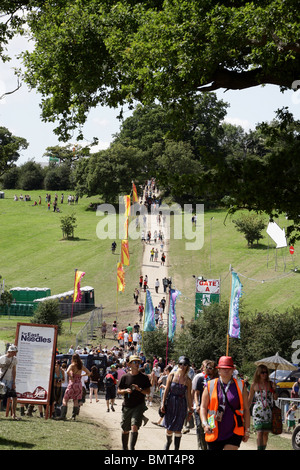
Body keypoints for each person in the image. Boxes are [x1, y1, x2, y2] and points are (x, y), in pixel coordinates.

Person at [200, 356, 250, 451]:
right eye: (223, 368)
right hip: (213, 429)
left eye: (228, 368)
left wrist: (247, 430)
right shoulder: (210, 385)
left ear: (232, 370)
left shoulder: (240, 385)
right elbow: (203, 407)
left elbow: (246, 409)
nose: (226, 371)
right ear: (218, 370)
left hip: (234, 430)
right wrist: (204, 424)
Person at [117, 355, 151, 450]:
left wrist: (139, 389)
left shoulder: (144, 378)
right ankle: (125, 448)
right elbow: (118, 391)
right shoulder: (125, 377)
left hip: (138, 406)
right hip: (127, 406)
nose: (137, 364)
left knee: (134, 426)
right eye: (134, 362)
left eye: (138, 362)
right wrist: (125, 391)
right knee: (125, 430)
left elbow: (147, 392)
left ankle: (132, 448)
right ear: (129, 364)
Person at [161, 356, 193, 450]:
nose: (182, 366)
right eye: (180, 364)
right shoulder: (172, 375)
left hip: (181, 404)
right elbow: (166, 390)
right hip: (171, 402)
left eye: (185, 364)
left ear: (187, 366)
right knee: (169, 427)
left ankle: (176, 448)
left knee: (178, 428)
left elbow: (189, 396)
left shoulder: (188, 380)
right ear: (178, 365)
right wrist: (163, 403)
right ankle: (168, 442)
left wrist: (190, 409)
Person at [248, 364, 277, 450]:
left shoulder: (271, 384)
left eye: (266, 372)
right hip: (257, 411)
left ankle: (263, 448)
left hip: (268, 411)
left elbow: (275, 398)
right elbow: (249, 400)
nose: (264, 374)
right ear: (258, 373)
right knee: (259, 432)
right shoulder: (253, 385)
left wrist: (274, 390)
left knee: (265, 433)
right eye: (262, 372)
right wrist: (245, 411)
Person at [193, 360, 218, 450]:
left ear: (215, 370)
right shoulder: (200, 378)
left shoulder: (217, 381)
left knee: (210, 429)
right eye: (206, 367)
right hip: (200, 409)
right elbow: (196, 393)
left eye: (210, 368)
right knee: (200, 427)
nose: (207, 369)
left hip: (211, 411)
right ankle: (201, 448)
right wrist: (197, 404)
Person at [58, 353, 91, 420]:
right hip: (79, 385)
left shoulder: (72, 365)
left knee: (65, 399)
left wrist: (71, 376)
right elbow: (89, 373)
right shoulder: (81, 366)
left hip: (72, 383)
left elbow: (67, 371)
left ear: (73, 359)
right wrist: (82, 375)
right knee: (75, 400)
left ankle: (63, 415)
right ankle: (73, 416)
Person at [0, 344, 19, 419]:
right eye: (14, 352)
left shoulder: (14, 359)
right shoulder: (2, 358)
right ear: (10, 351)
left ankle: (13, 414)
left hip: (10, 380)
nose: (15, 353)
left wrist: (13, 382)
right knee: (0, 397)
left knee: (14, 396)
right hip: (2, 379)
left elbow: (14, 371)